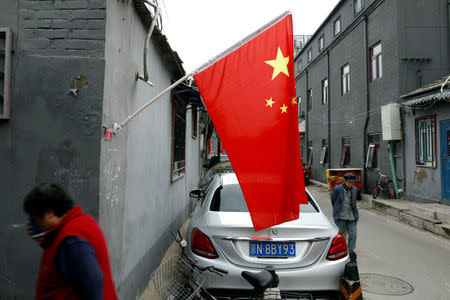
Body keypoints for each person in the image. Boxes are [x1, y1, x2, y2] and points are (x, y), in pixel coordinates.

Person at [23, 183, 118, 300]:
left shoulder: (72, 240)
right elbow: (66, 265)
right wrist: (45, 241)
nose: (37, 223)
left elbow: (94, 280)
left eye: (36, 218)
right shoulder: (79, 223)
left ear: (50, 213)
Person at [330, 173, 359, 253]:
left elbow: (354, 202)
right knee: (341, 235)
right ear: (345, 181)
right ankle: (340, 250)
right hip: (341, 216)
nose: (351, 184)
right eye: (349, 182)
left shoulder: (355, 189)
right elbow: (333, 201)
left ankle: (350, 251)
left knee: (353, 234)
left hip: (352, 216)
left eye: (352, 182)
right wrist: (337, 209)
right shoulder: (337, 189)